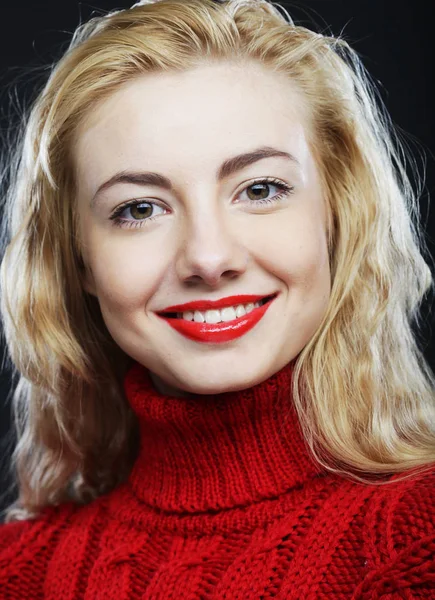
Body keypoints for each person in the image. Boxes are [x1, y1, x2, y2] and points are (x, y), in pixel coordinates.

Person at [0, 0, 434, 596]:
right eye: (139, 209)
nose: (207, 258)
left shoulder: (418, 539)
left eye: (260, 189)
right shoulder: (20, 571)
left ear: (336, 215)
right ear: (80, 261)